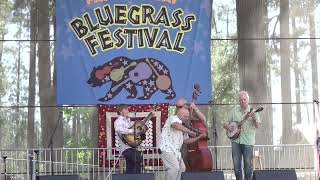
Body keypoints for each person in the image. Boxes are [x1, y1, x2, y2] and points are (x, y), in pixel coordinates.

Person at [159, 107, 206, 180]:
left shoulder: (183, 126)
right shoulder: (172, 118)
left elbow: (186, 140)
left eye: (188, 116)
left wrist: (199, 137)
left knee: (182, 168)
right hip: (167, 149)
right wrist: (189, 131)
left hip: (175, 152)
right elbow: (176, 125)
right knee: (174, 168)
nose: (187, 118)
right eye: (185, 116)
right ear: (179, 115)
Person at [223, 91, 261, 180]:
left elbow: (258, 126)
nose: (243, 101)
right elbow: (224, 122)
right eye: (241, 100)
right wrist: (229, 127)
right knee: (236, 166)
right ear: (239, 101)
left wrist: (254, 118)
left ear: (248, 100)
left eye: (245, 99)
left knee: (248, 166)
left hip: (248, 142)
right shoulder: (234, 111)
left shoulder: (254, 111)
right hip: (235, 141)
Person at [114, 105, 143, 174]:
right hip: (125, 148)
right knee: (137, 159)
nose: (128, 111)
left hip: (133, 146)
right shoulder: (118, 121)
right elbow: (119, 129)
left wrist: (150, 115)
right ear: (121, 111)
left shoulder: (128, 121)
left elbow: (140, 124)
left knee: (131, 166)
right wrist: (132, 131)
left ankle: (130, 176)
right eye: (126, 109)